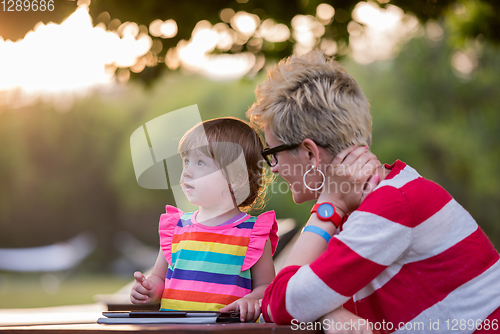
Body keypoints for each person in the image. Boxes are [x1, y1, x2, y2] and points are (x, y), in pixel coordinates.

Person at [247, 50, 500, 333]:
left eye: (273, 153)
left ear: (309, 153)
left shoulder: (390, 205)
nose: (275, 168)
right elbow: (293, 297)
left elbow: (278, 304)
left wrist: (327, 207)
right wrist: (328, 313)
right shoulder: (377, 199)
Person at [130, 117, 278, 323]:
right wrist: (149, 289)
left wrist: (252, 300)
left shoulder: (253, 233)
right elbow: (159, 278)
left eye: (200, 163)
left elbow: (267, 288)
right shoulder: (176, 228)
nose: (187, 172)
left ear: (235, 178)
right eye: (186, 161)